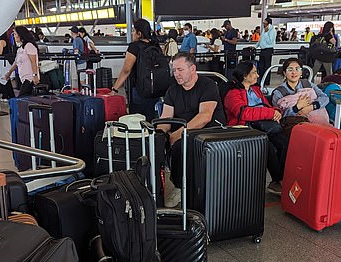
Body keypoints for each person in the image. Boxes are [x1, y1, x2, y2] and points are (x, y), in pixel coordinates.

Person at [158, 52, 226, 203]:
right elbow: (165, 118)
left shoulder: (208, 85)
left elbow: (204, 117)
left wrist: (177, 135)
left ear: (193, 69)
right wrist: (158, 134)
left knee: (181, 146)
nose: (176, 74)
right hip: (183, 133)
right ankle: (164, 188)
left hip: (209, 132)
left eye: (180, 70)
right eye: (174, 70)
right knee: (157, 141)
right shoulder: (173, 90)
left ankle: (182, 188)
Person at [223, 62, 286, 195]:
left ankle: (282, 178)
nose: (257, 75)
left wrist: (276, 111)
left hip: (264, 125)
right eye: (254, 72)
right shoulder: (232, 94)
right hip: (244, 127)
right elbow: (243, 113)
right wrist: (269, 113)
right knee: (267, 146)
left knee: (283, 142)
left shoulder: (255, 90)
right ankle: (278, 180)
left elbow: (267, 105)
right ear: (245, 76)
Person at [111, 18, 161, 121]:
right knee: (151, 120)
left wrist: (115, 88)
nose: (132, 33)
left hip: (139, 91)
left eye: (133, 31)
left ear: (139, 33)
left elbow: (126, 70)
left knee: (137, 121)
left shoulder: (134, 47)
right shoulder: (156, 46)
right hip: (156, 90)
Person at [4, 27, 39, 97]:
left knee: (21, 98)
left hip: (30, 78)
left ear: (20, 35)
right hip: (23, 78)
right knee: (25, 100)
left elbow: (33, 62)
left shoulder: (29, 46)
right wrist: (9, 73)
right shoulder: (20, 49)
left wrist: (35, 75)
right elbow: (16, 62)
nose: (14, 36)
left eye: (15, 34)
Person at [0, 32, 15, 101]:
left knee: (4, 78)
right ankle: (9, 95)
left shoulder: (1, 41)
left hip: (3, 62)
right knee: (5, 79)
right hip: (5, 62)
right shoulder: (6, 41)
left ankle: (7, 96)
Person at [256, 17, 276, 85]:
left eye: (265, 21)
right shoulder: (264, 30)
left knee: (267, 66)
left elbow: (270, 41)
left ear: (268, 22)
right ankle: (262, 80)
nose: (263, 23)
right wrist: (256, 47)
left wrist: (267, 33)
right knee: (261, 66)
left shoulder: (272, 30)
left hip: (268, 50)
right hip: (262, 50)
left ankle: (266, 82)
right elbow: (260, 39)